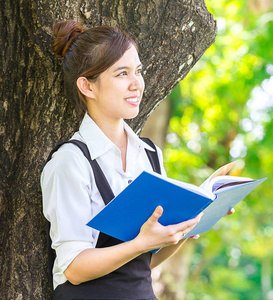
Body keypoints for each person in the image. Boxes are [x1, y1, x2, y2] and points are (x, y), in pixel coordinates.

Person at [41, 20, 205, 299]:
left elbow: (145, 261)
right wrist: (141, 242)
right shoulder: (71, 161)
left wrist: (186, 227)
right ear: (88, 86)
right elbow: (74, 268)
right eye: (122, 74)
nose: (136, 84)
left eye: (138, 71)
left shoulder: (150, 154)